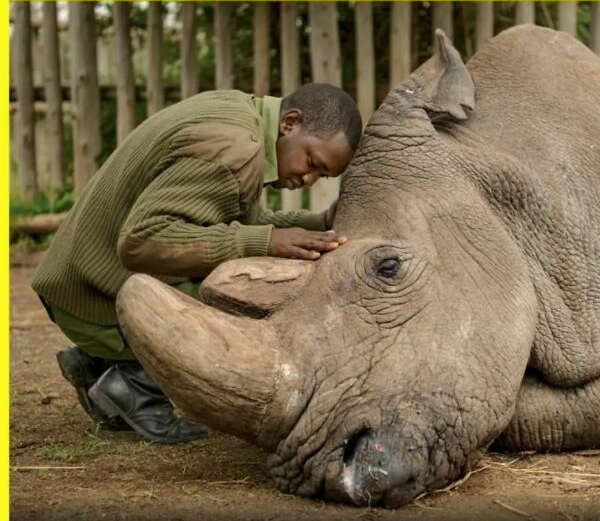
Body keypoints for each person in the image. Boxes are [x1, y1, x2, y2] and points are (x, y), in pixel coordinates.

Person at [32, 84, 363, 444]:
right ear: (290, 123)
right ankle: (132, 383)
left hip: (77, 282)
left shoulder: (241, 117)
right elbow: (142, 241)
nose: (308, 179)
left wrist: (318, 224)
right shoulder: (235, 150)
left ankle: (100, 362)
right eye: (312, 162)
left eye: (322, 176)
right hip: (91, 298)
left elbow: (235, 221)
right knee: (250, 295)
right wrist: (264, 243)